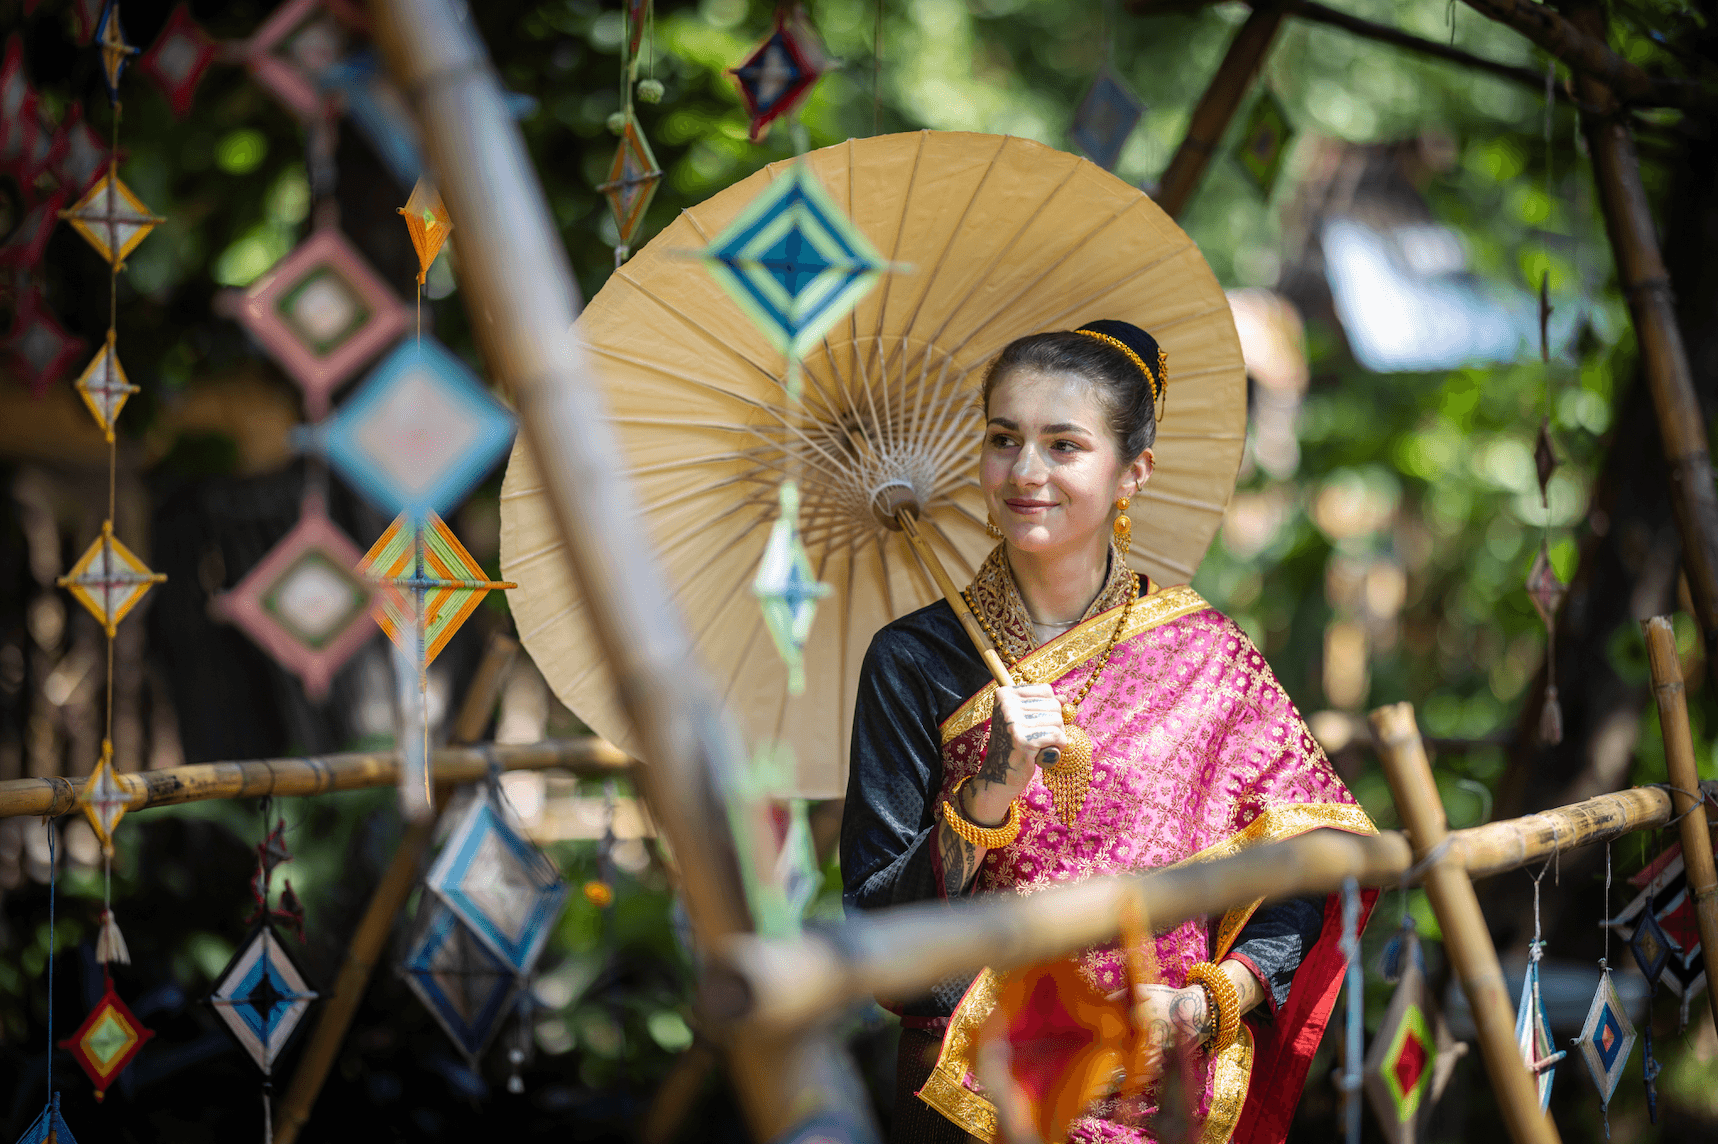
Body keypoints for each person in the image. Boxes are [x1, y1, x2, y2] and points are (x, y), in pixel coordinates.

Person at [840, 321, 1376, 1144]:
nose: (1025, 472)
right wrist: (984, 798)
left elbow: (1312, 860)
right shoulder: (911, 661)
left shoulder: (1210, 656)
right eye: (1003, 438)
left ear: (1132, 472)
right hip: (973, 1098)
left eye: (1064, 446)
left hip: (1160, 1099)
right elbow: (878, 926)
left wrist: (1212, 1000)